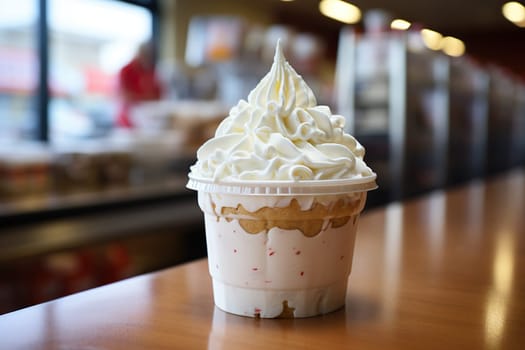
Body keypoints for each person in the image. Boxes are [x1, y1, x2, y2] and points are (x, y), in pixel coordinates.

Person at [116, 41, 162, 128]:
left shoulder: (151, 71)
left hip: (149, 115)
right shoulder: (126, 71)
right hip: (128, 119)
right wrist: (147, 97)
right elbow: (125, 96)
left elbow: (159, 95)